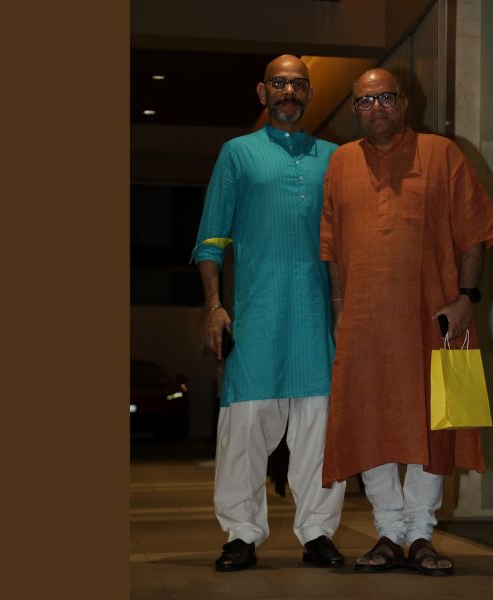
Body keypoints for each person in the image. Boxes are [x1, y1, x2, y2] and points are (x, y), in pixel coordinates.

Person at [319, 68, 493, 575]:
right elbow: (332, 247)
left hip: (435, 318)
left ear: (405, 102)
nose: (376, 108)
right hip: (364, 322)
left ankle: (421, 533)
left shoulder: (442, 153)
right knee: (370, 420)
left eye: (386, 97)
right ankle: (388, 532)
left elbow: (475, 234)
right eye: (365, 101)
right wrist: (340, 312)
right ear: (353, 109)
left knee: (435, 421)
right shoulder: (340, 162)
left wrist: (467, 299)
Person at [192, 54, 346, 572]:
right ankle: (241, 534)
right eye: (279, 83)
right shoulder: (237, 153)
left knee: (319, 429)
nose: (289, 92)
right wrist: (214, 306)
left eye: (298, 84)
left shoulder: (335, 157)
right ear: (263, 93)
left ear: (309, 94)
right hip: (256, 315)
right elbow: (212, 238)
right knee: (244, 427)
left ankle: (318, 533)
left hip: (317, 316)